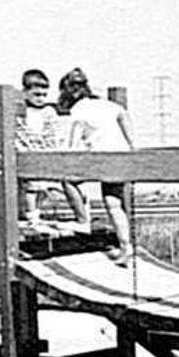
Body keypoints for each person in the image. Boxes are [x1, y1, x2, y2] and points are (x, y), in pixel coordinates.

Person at [59, 67, 135, 264]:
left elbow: (73, 146)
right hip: (121, 155)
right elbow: (123, 115)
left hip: (103, 158)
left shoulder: (78, 111)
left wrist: (67, 159)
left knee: (68, 180)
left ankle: (82, 220)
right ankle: (126, 247)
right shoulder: (106, 104)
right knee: (113, 203)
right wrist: (131, 144)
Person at [15, 68, 90, 227]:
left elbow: (55, 131)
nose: (41, 99)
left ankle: (35, 212)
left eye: (44, 95)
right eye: (36, 95)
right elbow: (20, 132)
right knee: (31, 188)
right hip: (28, 152)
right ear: (25, 92)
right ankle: (31, 215)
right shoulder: (21, 111)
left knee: (43, 187)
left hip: (45, 152)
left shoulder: (49, 111)